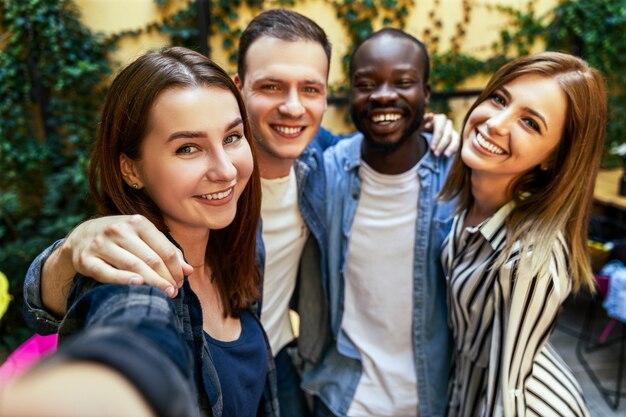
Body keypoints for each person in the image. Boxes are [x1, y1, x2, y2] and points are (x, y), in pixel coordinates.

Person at [22, 9, 459, 416]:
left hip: (274, 360)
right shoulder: (147, 254)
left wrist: (425, 126)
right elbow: (126, 324)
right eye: (271, 87)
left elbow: (384, 144)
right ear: (239, 87)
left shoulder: (323, 163)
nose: (293, 107)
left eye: (310, 89)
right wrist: (65, 255)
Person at [5, 46, 278, 417]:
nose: (226, 170)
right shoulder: (131, 276)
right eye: (188, 148)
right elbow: (132, 340)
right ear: (130, 169)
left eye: (232, 137)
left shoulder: (238, 237)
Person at [439, 51, 605, 416]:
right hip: (468, 391)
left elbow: (507, 391)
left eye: (530, 123)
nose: (496, 122)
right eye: (499, 98)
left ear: (553, 158)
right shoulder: (474, 202)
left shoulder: (530, 258)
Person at [302, 28, 456, 417]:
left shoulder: (460, 178)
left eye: (403, 82)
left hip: (433, 398)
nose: (383, 95)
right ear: (350, 93)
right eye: (366, 84)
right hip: (343, 397)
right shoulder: (326, 171)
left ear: (427, 92)